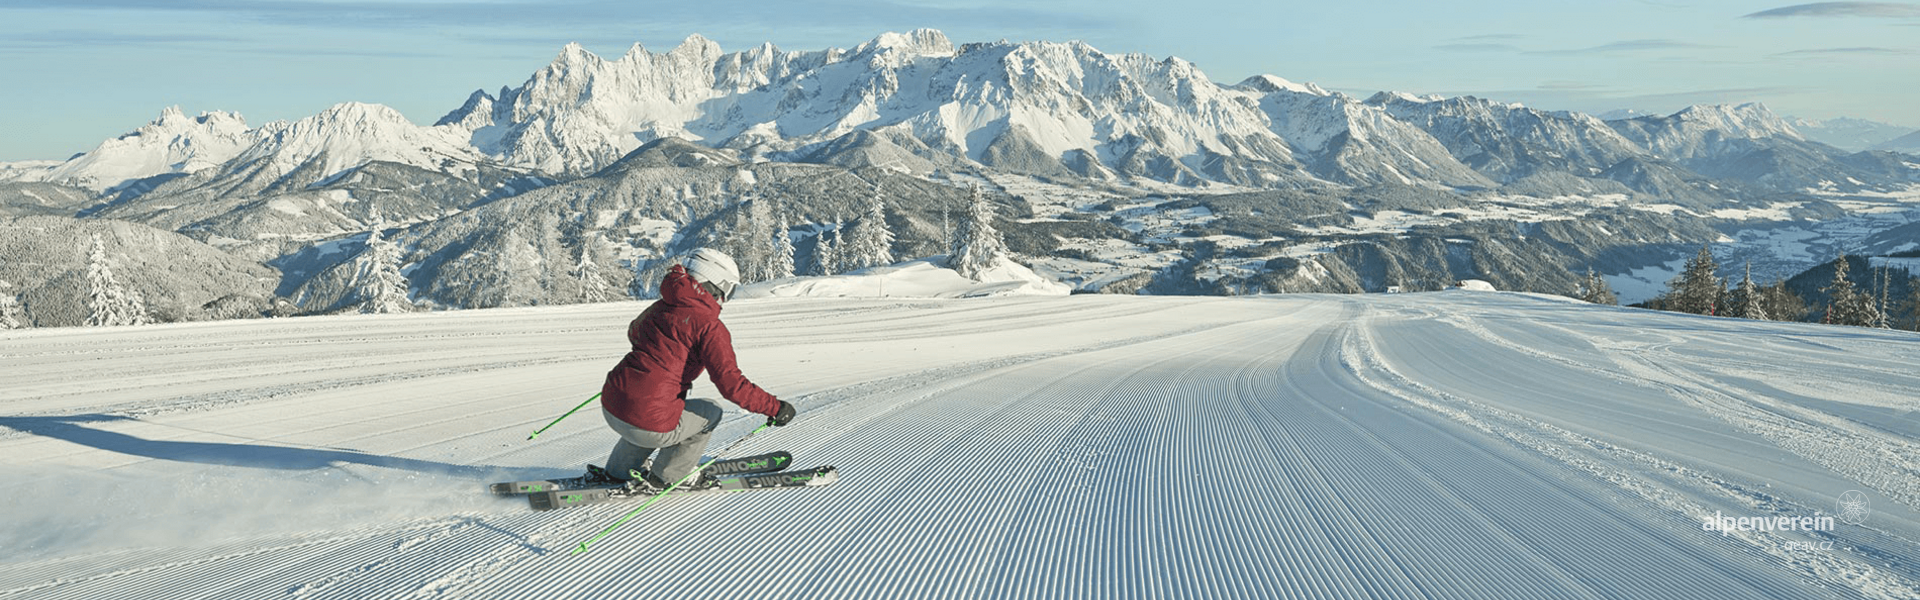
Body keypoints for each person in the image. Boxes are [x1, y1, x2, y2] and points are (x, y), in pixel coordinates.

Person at [590, 248, 795, 493]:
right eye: (729, 289)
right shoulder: (709, 326)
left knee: (650, 411)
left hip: (612, 404)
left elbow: (634, 331)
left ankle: (618, 472)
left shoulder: (663, 305)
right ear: (715, 284)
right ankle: (670, 476)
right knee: (710, 411)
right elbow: (730, 384)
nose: (727, 297)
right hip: (646, 421)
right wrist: (774, 407)